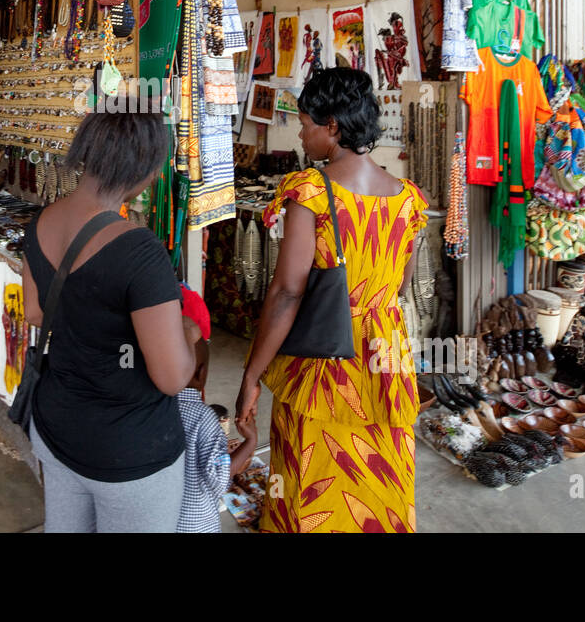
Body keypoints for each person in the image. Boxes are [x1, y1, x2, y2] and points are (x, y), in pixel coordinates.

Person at [236, 68, 427, 532]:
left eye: (305, 124)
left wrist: (252, 374)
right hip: (385, 356)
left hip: (324, 360)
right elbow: (400, 288)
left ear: (334, 127)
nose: (301, 133)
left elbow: (286, 294)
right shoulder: (409, 199)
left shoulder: (311, 192)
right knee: (380, 471)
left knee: (311, 475)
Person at [21, 102, 199, 532]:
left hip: (56, 430)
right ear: (141, 168)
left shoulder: (40, 221)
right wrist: (189, 334)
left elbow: (34, 312)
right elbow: (172, 377)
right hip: (128, 453)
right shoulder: (139, 250)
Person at [176, 293, 258, 533]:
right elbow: (220, 478)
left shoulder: (149, 411)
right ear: (202, 374)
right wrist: (250, 441)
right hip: (195, 525)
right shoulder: (204, 420)